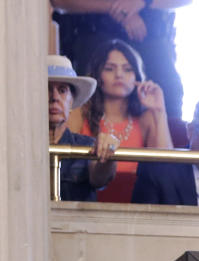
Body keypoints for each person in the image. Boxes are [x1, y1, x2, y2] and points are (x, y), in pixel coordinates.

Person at [68, 39, 172, 203]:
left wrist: (159, 110)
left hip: (139, 206)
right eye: (109, 69)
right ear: (97, 75)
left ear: (137, 77)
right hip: (85, 202)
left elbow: (166, 169)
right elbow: (67, 169)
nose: (119, 75)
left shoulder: (146, 118)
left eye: (128, 69)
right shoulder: (79, 112)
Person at [51, 0, 190, 119]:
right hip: (92, 34)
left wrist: (142, 2)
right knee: (86, 101)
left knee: (169, 97)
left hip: (151, 37)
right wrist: (119, 8)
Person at [47, 54, 117, 201]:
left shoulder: (86, 146)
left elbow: (99, 177)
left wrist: (107, 153)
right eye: (47, 89)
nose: (54, 97)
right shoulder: (20, 148)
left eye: (62, 90)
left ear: (71, 102)